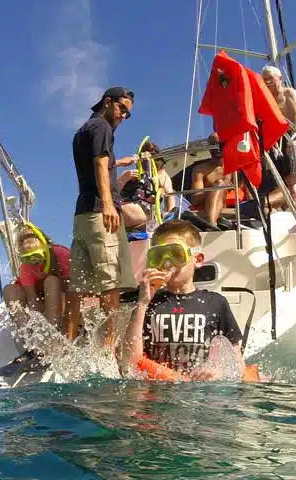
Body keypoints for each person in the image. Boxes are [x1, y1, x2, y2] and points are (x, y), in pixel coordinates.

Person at [121, 219, 245, 380]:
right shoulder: (148, 303)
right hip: (157, 395)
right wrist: (142, 302)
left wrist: (218, 373)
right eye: (159, 256)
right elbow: (129, 361)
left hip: (198, 395)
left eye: (176, 254)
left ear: (198, 260)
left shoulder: (216, 303)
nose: (167, 262)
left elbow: (238, 364)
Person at [69, 86, 138, 348]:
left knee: (79, 284)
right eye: (122, 109)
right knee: (113, 282)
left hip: (82, 215)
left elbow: (98, 163)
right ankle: (108, 349)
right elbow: (99, 162)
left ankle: (70, 339)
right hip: (100, 212)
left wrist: (118, 164)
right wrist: (109, 204)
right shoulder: (102, 128)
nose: (123, 116)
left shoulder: (83, 130)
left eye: (127, 114)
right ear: (108, 102)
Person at [260, 65, 296, 199]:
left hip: (291, 138)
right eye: (265, 79)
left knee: (293, 181)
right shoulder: (266, 99)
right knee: (276, 179)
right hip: (275, 142)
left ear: (280, 78)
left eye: (271, 78)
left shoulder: (289, 93)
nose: (268, 82)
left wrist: (294, 139)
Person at [118, 141, 177, 230]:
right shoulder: (128, 174)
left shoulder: (161, 175)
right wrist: (123, 179)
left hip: (147, 212)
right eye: (143, 156)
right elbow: (112, 195)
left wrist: (170, 217)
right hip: (127, 209)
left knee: (122, 210)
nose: (146, 159)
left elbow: (170, 194)